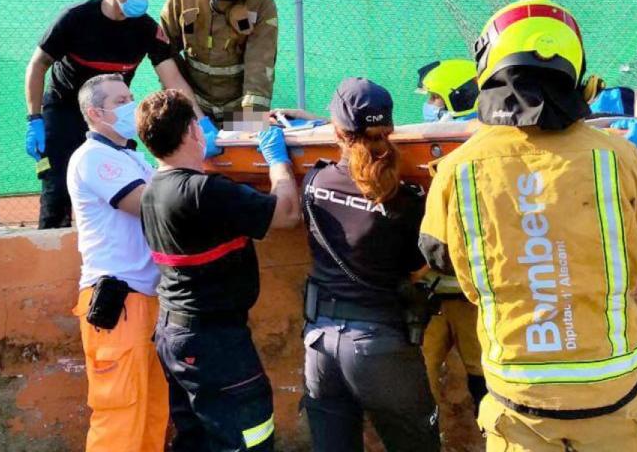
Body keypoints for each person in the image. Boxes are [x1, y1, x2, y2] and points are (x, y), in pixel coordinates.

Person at [418, 0, 637, 451]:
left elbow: (438, 256)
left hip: (518, 404)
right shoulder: (616, 154)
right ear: (573, 67)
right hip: (613, 398)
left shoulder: (457, 168)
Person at [136, 89, 301, 452]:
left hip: (174, 334)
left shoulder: (153, 189)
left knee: (197, 439)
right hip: (214, 341)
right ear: (195, 132)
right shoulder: (206, 192)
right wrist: (277, 161)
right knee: (248, 435)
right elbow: (288, 214)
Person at [299, 77, 441, 452]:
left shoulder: (314, 181)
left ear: (337, 131)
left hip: (320, 343)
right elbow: (417, 268)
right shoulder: (407, 200)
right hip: (381, 347)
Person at [25, 0, 209, 229]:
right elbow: (37, 65)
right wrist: (34, 119)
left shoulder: (147, 29)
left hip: (112, 115)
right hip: (65, 110)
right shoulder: (75, 19)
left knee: (130, 181)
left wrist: (201, 122)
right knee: (57, 193)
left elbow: (173, 79)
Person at [66, 74, 168, 451]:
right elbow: (150, 206)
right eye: (121, 101)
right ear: (96, 113)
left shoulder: (130, 156)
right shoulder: (93, 158)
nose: (133, 106)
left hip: (146, 299)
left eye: (132, 97)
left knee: (152, 410)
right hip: (119, 303)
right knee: (120, 417)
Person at [415, 59, 487, 415]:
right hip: (434, 295)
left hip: (469, 297)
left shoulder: (479, 149)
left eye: (435, 100)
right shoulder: (431, 146)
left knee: (482, 377)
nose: (429, 106)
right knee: (419, 371)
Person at [160, 0, 279, 129]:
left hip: (239, 108)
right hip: (192, 105)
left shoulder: (261, 3)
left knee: (239, 157)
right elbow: (164, 53)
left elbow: (260, 65)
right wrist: (187, 109)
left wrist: (250, 123)